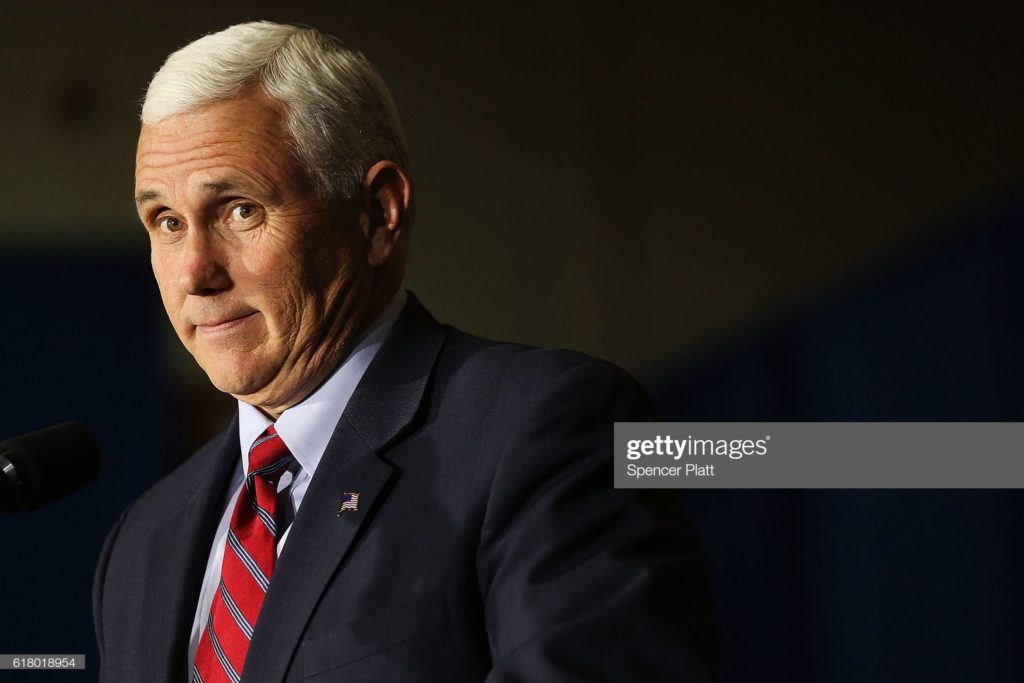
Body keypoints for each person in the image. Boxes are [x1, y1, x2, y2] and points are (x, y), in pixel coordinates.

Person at [93, 20, 715, 682]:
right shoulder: (142, 543)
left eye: (239, 210)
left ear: (379, 213)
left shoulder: (543, 429)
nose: (194, 272)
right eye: (166, 222)